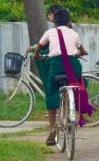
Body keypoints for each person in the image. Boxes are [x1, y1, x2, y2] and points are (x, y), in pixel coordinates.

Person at [26, 8, 87, 146]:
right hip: (73, 65)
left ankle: (52, 127)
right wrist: (83, 53)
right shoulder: (74, 33)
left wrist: (36, 55)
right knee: (78, 85)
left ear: (54, 22)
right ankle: (75, 115)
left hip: (56, 65)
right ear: (69, 22)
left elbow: (40, 46)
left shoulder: (50, 32)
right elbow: (81, 49)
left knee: (51, 92)